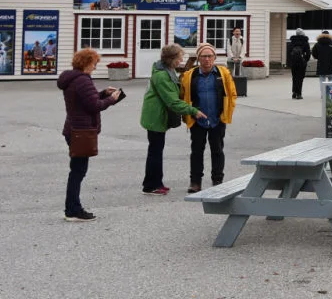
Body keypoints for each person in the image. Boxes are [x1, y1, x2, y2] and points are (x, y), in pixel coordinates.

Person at [59, 48, 123, 221]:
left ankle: (72, 207)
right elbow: (94, 106)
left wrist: (102, 93)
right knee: (78, 171)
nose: (95, 67)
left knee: (77, 170)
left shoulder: (73, 78)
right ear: (87, 63)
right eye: (94, 64)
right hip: (81, 131)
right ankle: (73, 209)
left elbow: (86, 100)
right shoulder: (83, 80)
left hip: (73, 128)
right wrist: (111, 99)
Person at [139, 44, 206, 195]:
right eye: (179, 57)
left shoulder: (166, 70)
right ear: (171, 59)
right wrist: (194, 111)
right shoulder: (162, 76)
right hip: (155, 117)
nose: (181, 60)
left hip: (157, 116)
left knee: (156, 150)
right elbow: (172, 101)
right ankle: (151, 185)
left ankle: (156, 182)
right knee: (155, 152)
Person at [181, 43, 237, 193]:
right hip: (197, 119)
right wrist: (187, 116)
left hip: (217, 118)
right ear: (198, 58)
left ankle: (217, 180)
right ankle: (195, 182)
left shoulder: (223, 73)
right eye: (203, 56)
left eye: (209, 56)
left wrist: (227, 113)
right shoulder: (189, 75)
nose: (207, 59)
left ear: (214, 58)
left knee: (217, 150)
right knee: (197, 151)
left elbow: (232, 94)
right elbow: (183, 96)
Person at [288, 29, 310, 99]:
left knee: (294, 77)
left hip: (294, 63)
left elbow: (288, 52)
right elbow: (308, 53)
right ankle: (299, 94)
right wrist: (305, 60)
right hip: (302, 63)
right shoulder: (305, 42)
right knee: (300, 78)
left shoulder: (292, 42)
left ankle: (294, 92)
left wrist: (290, 61)